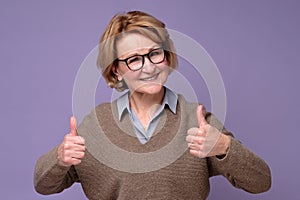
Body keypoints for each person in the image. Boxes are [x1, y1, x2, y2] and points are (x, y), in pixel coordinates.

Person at [34, 11, 271, 200]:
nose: (149, 68)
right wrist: (60, 158)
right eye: (134, 59)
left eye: (155, 54)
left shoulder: (195, 119)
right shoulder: (94, 126)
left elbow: (261, 182)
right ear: (116, 69)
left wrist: (224, 146)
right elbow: (43, 186)